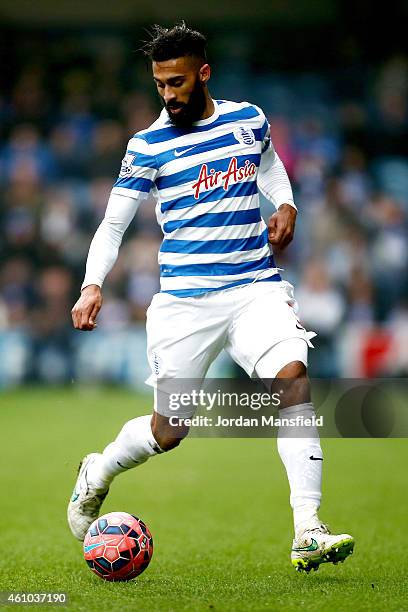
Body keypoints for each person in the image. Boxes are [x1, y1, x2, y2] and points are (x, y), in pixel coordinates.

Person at [68, 22, 354, 572]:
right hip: (185, 305)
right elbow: (112, 224)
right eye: (160, 86)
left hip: (254, 289)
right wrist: (92, 283)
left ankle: (307, 528)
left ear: (203, 73)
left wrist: (287, 204)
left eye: (177, 83)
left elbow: (270, 166)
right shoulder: (147, 145)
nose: (169, 95)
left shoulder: (249, 119)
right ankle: (99, 470)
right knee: (169, 431)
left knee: (293, 380)